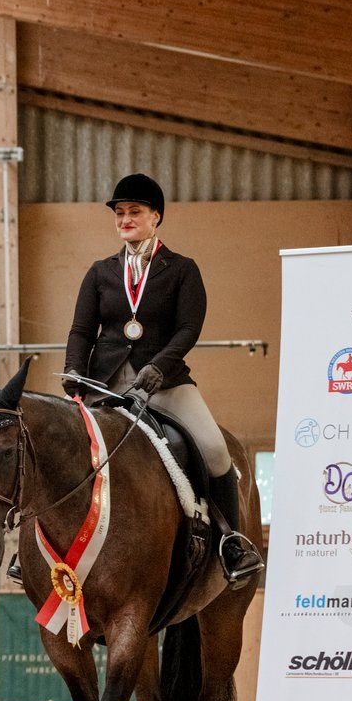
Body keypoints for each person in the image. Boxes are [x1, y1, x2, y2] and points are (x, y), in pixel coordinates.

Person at [63, 173, 262, 585]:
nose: (125, 219)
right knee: (58, 448)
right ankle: (37, 548)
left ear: (156, 216)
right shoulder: (101, 272)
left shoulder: (182, 270)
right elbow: (82, 330)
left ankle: (232, 543)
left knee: (214, 450)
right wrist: (75, 371)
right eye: (119, 213)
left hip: (165, 383)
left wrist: (160, 367)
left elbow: (188, 329)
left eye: (134, 211)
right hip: (107, 385)